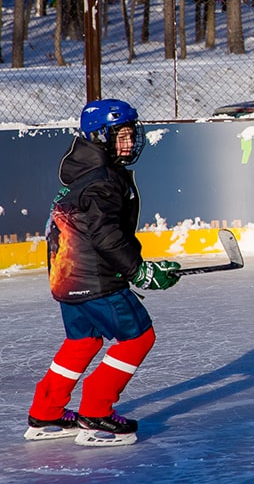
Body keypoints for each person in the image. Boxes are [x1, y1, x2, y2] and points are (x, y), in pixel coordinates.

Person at [24, 99, 181, 446]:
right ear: (98, 136)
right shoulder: (104, 180)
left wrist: (135, 265)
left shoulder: (84, 173)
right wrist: (138, 271)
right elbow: (106, 234)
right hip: (95, 281)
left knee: (82, 341)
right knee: (139, 337)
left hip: (67, 279)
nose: (128, 143)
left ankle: (46, 412)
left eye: (130, 135)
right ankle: (96, 414)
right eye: (119, 136)